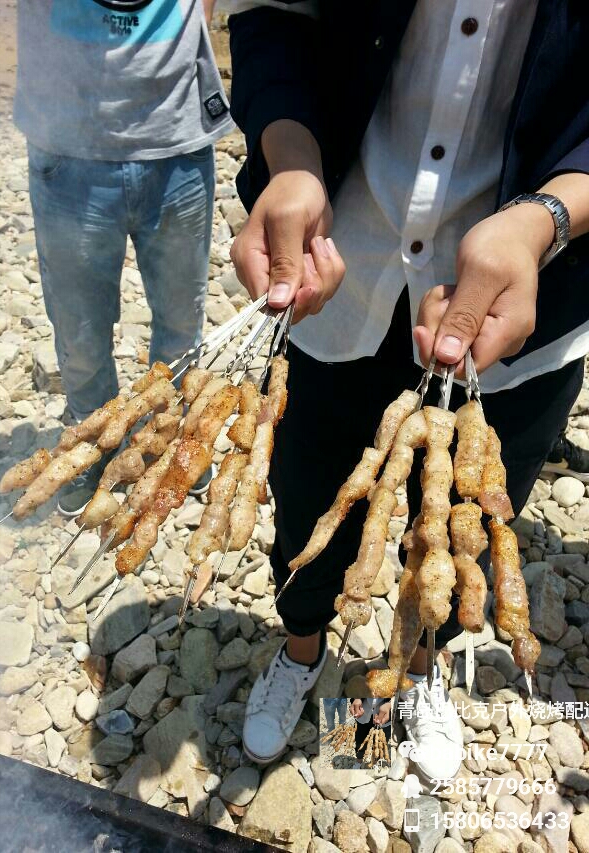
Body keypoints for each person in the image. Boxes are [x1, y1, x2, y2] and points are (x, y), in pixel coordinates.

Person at [231, 1, 589, 778]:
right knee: (309, 502)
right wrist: (290, 158)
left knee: (457, 534)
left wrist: (546, 219)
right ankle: (301, 650)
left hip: (523, 305)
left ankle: (411, 683)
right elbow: (270, 14)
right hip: (341, 271)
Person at [15, 0, 233, 515]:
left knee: (181, 320)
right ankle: (94, 446)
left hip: (178, 143)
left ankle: (172, 439)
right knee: (80, 331)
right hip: (67, 150)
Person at [349, 698, 391, 769]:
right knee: (360, 742)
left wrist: (389, 704)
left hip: (384, 719)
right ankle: (359, 761)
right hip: (363, 715)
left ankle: (375, 762)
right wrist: (357, 697)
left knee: (379, 744)